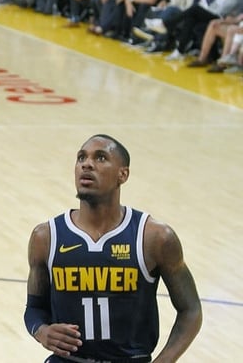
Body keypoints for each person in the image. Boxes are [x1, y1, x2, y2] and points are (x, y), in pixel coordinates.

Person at [25, 135, 202, 362]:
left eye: (100, 158)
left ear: (123, 174)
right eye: (81, 158)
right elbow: (34, 308)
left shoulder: (155, 238)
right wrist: (41, 331)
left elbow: (191, 310)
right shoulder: (46, 237)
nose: (87, 164)